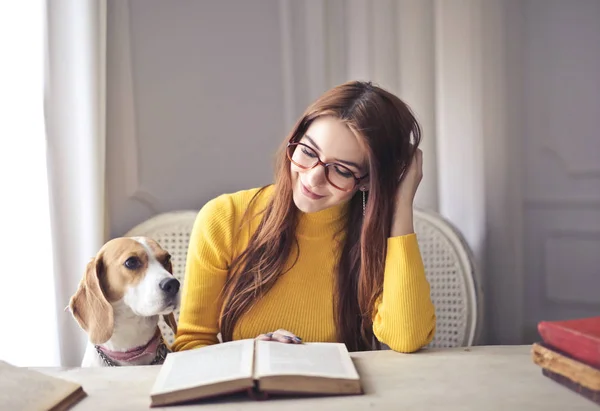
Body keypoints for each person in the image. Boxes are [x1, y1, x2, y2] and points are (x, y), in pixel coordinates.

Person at [172, 80, 436, 353]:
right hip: (248, 393)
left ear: (368, 181)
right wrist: (248, 352)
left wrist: (401, 203)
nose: (313, 178)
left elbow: (408, 336)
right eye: (308, 152)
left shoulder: (376, 237)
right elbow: (190, 345)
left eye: (342, 170)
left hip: (343, 395)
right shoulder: (225, 218)